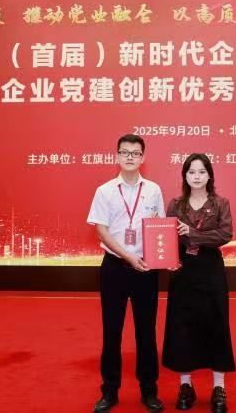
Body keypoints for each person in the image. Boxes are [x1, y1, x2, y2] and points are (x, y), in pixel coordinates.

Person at [87, 134, 165, 413]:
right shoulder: (105, 191)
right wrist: (127, 256)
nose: (130, 157)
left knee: (146, 332)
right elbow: (101, 231)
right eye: (125, 152)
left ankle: (149, 390)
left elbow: (158, 227)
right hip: (114, 268)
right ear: (117, 156)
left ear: (143, 157)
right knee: (112, 331)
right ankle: (109, 391)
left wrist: (163, 257)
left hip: (145, 268)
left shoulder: (153, 190)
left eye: (135, 153)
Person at [162, 153, 235, 413]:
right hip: (183, 271)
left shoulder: (220, 203)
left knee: (216, 325)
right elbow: (166, 237)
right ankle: (185, 385)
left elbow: (225, 234)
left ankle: (219, 387)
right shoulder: (176, 205)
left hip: (211, 270)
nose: (196, 176)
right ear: (184, 175)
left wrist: (192, 233)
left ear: (209, 175)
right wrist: (166, 259)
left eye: (202, 172)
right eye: (191, 172)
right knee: (182, 328)